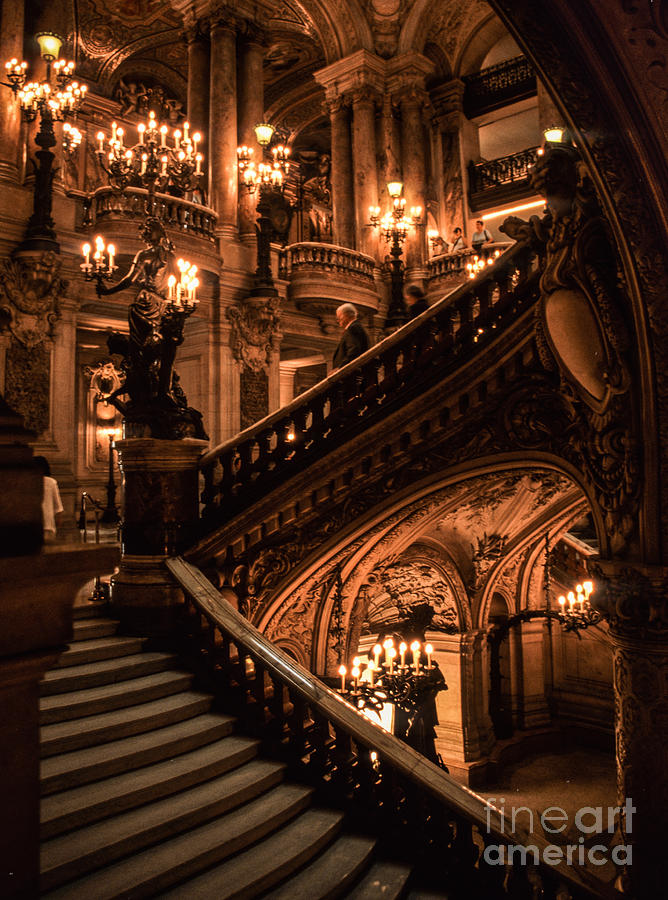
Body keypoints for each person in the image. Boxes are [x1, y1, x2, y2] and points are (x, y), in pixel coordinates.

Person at [35, 456, 63, 542]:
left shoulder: (28, 482)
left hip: (33, 525)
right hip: (48, 525)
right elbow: (58, 508)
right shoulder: (51, 482)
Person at [332, 303, 370, 369]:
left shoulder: (353, 328)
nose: (337, 321)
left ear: (346, 315)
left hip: (350, 374)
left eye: (339, 317)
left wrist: (339, 368)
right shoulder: (357, 326)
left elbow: (354, 351)